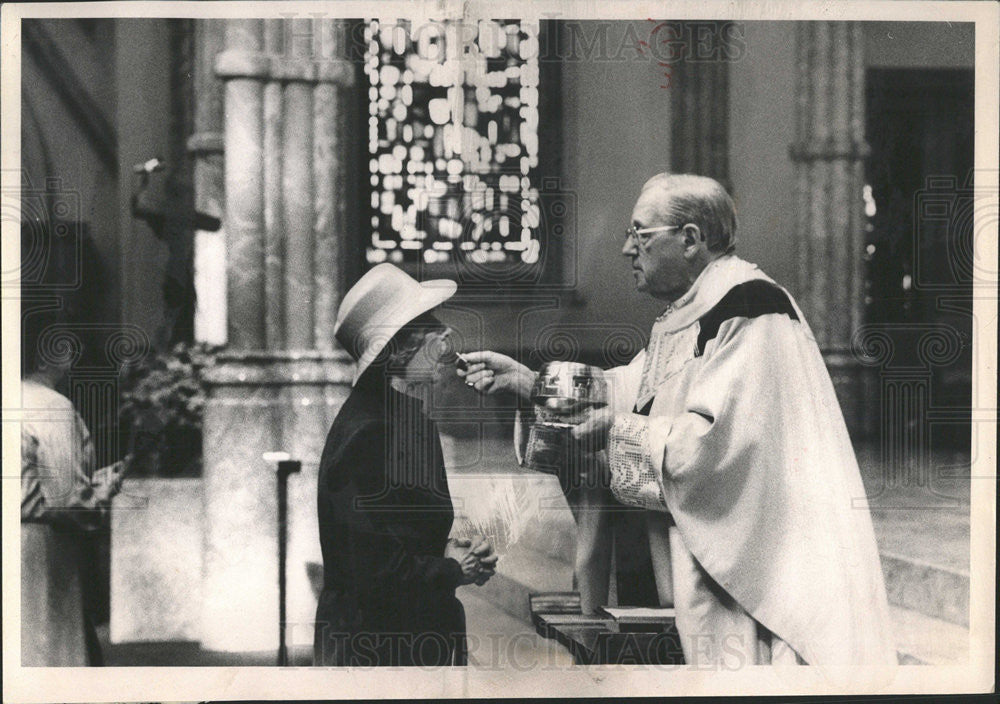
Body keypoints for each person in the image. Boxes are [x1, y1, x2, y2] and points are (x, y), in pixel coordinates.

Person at [459, 173, 896, 676]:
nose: (626, 249)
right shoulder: (690, 312)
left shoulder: (753, 310)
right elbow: (629, 389)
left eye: (640, 235)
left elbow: (719, 448)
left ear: (690, 239)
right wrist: (530, 382)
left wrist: (615, 432)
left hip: (750, 574)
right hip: (682, 556)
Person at [314, 263, 498, 667]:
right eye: (429, 327)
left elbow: (401, 531)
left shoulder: (406, 417)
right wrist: (451, 570)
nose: (446, 337)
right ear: (397, 348)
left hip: (409, 640)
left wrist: (452, 551)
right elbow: (370, 570)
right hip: (373, 650)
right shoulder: (367, 433)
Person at [20, 326, 129, 666]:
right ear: (43, 355)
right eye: (66, 347)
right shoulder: (51, 406)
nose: (75, 355)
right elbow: (67, 500)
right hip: (38, 547)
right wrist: (102, 490)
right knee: (48, 655)